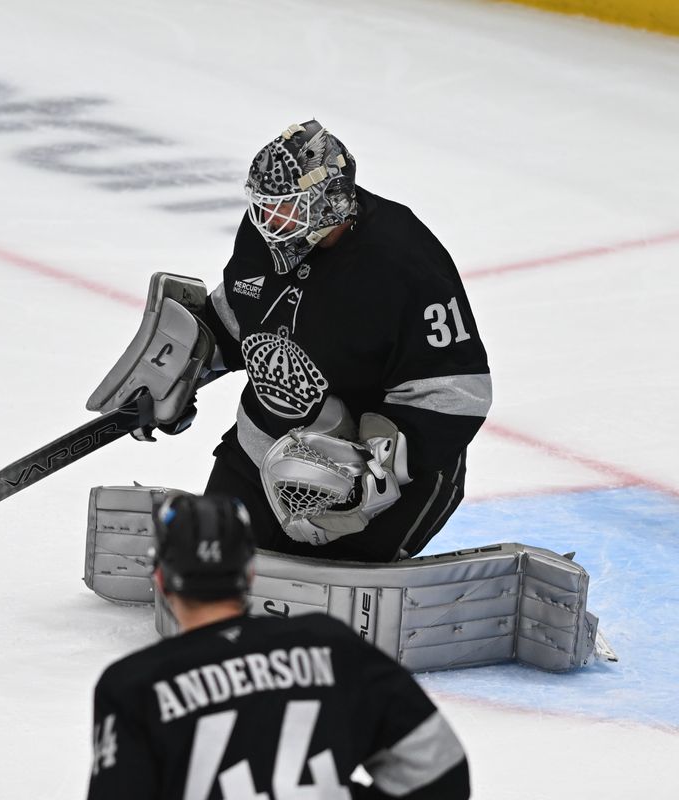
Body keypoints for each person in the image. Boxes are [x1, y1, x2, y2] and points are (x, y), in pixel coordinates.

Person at [88, 120, 491, 562]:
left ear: (330, 201)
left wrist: (368, 475)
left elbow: (456, 392)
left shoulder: (404, 261)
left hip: (372, 477)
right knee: (212, 568)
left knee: (322, 597)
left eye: (285, 208)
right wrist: (177, 373)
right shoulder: (265, 236)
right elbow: (239, 316)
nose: (267, 222)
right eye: (262, 207)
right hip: (263, 450)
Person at [85, 493, 470, 800]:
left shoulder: (133, 685)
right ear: (249, 572)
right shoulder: (331, 646)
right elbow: (440, 773)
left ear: (162, 580)